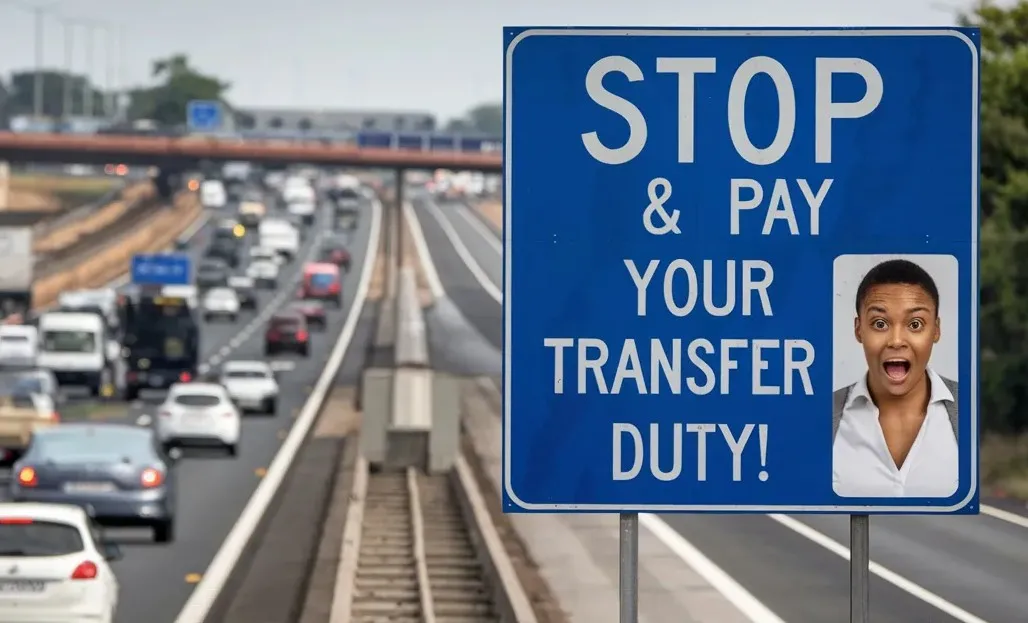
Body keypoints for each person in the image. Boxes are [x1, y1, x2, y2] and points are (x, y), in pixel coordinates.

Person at [832, 259, 959, 498]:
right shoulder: (824, 415)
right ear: (859, 330)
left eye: (915, 324)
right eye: (880, 324)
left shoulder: (971, 411)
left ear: (936, 330)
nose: (897, 340)